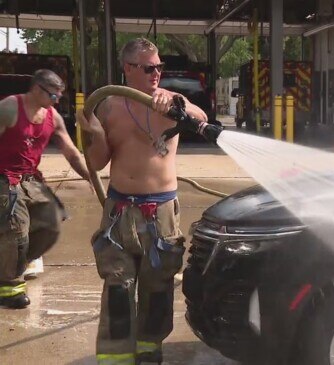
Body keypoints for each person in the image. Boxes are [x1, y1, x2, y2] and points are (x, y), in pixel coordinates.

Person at [76, 37, 210, 365]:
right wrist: (95, 132)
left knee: (158, 287)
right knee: (118, 289)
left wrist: (177, 104)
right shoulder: (109, 106)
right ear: (128, 69)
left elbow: (202, 117)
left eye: (159, 67)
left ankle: (150, 350)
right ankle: (116, 357)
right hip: (120, 213)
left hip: (161, 213)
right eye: (149, 68)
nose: (156, 73)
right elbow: (96, 163)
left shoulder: (172, 101)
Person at [0, 69, 90, 309]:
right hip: (4, 178)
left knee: (51, 224)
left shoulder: (53, 117)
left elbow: (71, 152)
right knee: (17, 228)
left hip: (31, 179)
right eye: (53, 96)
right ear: (37, 89)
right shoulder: (10, 107)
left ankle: (11, 263)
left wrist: (90, 177)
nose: (57, 101)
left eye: (59, 96)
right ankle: (9, 287)